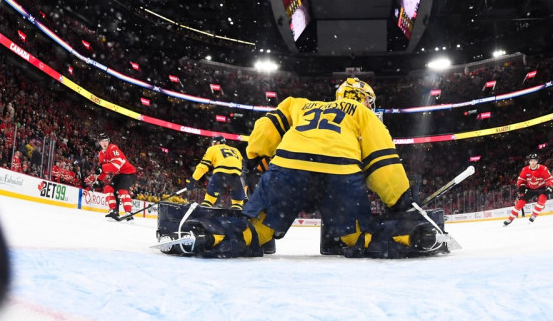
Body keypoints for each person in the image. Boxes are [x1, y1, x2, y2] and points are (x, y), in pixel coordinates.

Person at [162, 78, 441, 259]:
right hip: (339, 173)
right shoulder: (364, 114)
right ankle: (412, 235)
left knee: (255, 229)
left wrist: (259, 157)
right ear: (362, 98)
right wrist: (400, 199)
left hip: (288, 167)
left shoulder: (300, 104)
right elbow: (382, 161)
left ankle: (210, 233)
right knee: (359, 237)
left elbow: (265, 128)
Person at [186, 135, 246, 210]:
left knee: (209, 199)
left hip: (221, 172)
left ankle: (205, 208)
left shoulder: (212, 148)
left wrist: (193, 179)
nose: (212, 144)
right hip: (236, 173)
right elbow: (243, 165)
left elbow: (203, 166)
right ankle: (237, 211)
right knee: (238, 202)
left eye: (213, 143)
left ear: (218, 142)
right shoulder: (236, 150)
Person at [91, 133, 137, 220]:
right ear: (99, 143)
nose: (104, 143)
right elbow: (103, 170)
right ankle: (113, 211)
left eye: (106, 141)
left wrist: (102, 167)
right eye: (102, 141)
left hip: (127, 172)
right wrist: (99, 180)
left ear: (108, 142)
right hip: (118, 174)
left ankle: (128, 213)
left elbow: (116, 166)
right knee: (108, 188)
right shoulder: (101, 154)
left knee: (122, 190)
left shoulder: (113, 148)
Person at [503, 154, 553, 226]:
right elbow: (521, 180)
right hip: (529, 188)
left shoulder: (543, 168)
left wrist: (550, 186)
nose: (533, 162)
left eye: (535, 160)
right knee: (520, 203)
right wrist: (521, 188)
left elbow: (549, 179)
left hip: (541, 188)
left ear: (537, 161)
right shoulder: (525, 169)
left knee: (542, 199)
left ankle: (534, 215)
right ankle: (510, 219)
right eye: (531, 161)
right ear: (529, 162)